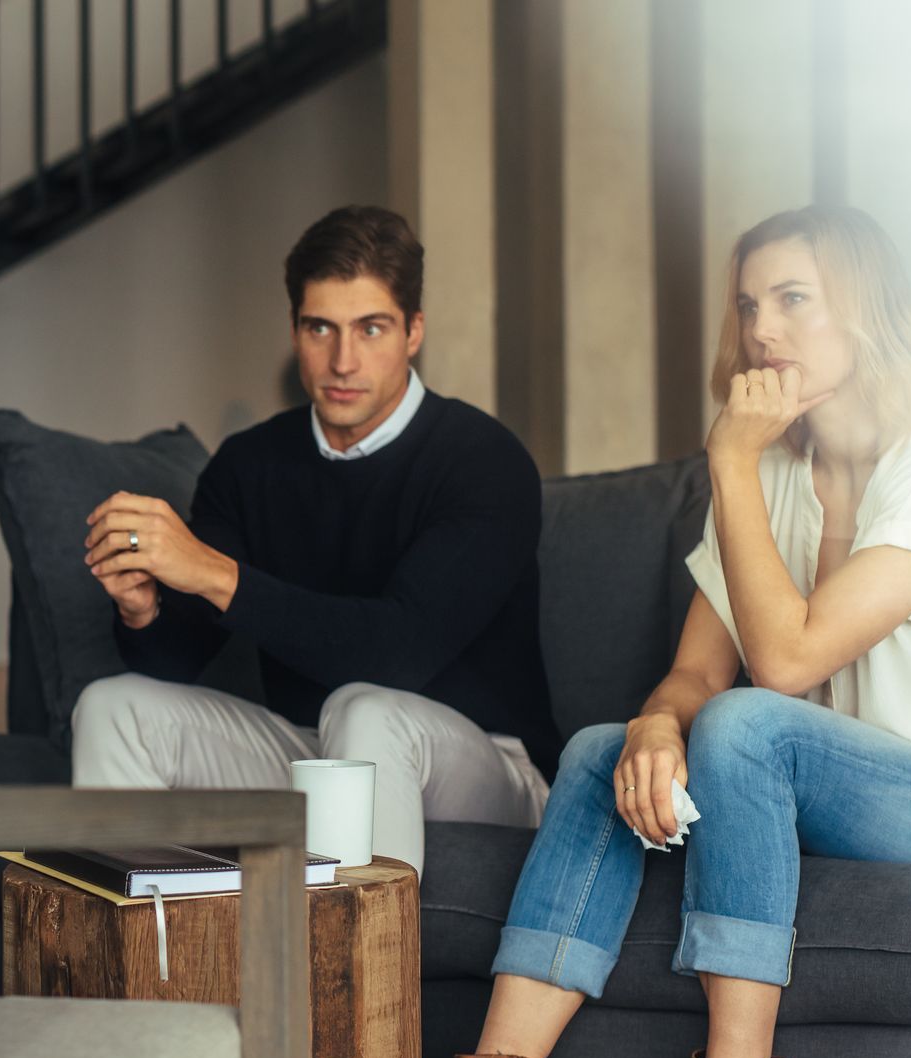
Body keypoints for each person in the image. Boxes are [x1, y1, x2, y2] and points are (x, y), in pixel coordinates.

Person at [421, 206, 911, 1058]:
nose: (761, 329)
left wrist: (727, 458)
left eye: (794, 299)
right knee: (603, 751)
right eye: (750, 303)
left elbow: (788, 663)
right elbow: (691, 673)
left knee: (752, 727)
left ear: (866, 311)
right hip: (840, 794)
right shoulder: (781, 479)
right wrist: (655, 728)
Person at [72, 205, 561, 877]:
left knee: (364, 711)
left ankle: (350, 982)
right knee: (112, 706)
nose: (343, 360)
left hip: (486, 765)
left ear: (414, 331)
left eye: (371, 328)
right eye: (319, 328)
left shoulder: (484, 460)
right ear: (295, 330)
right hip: (312, 749)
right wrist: (142, 607)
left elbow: (397, 652)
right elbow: (179, 659)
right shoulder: (250, 464)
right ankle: (145, 972)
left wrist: (214, 573)